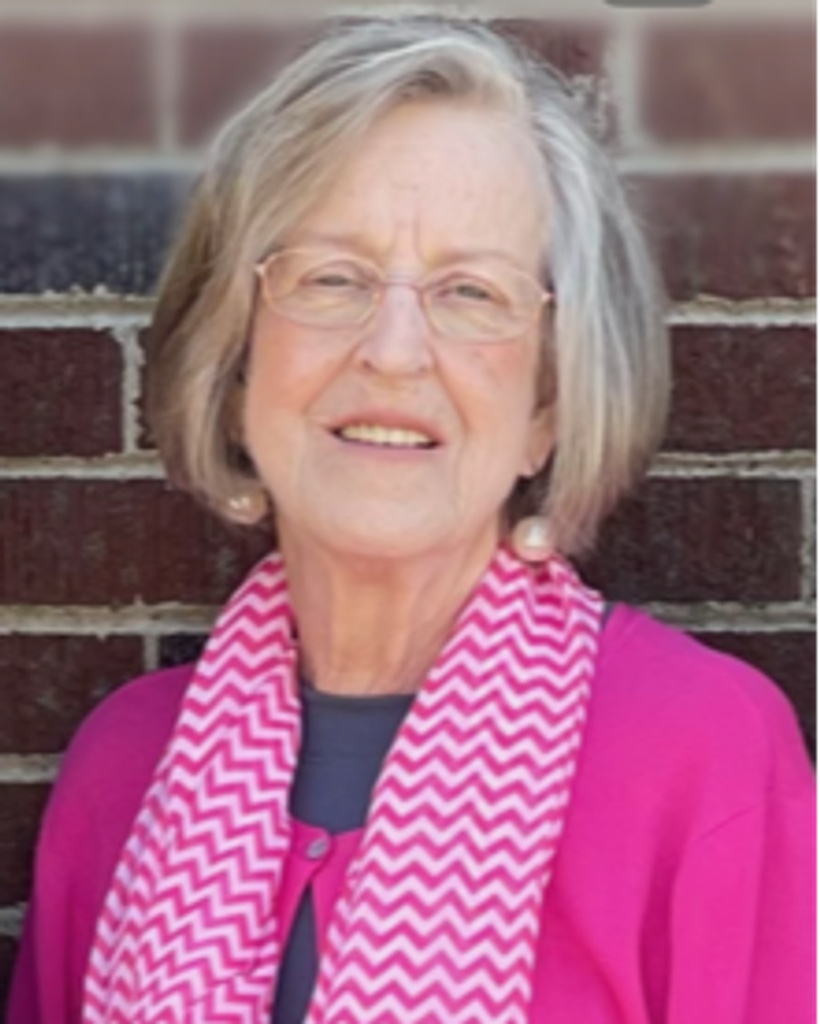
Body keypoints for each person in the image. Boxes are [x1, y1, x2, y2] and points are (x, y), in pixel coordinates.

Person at [8, 16, 817, 1024]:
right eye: (330, 278)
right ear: (236, 360)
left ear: (549, 403)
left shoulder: (696, 756)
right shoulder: (128, 767)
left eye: (470, 292)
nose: (393, 350)